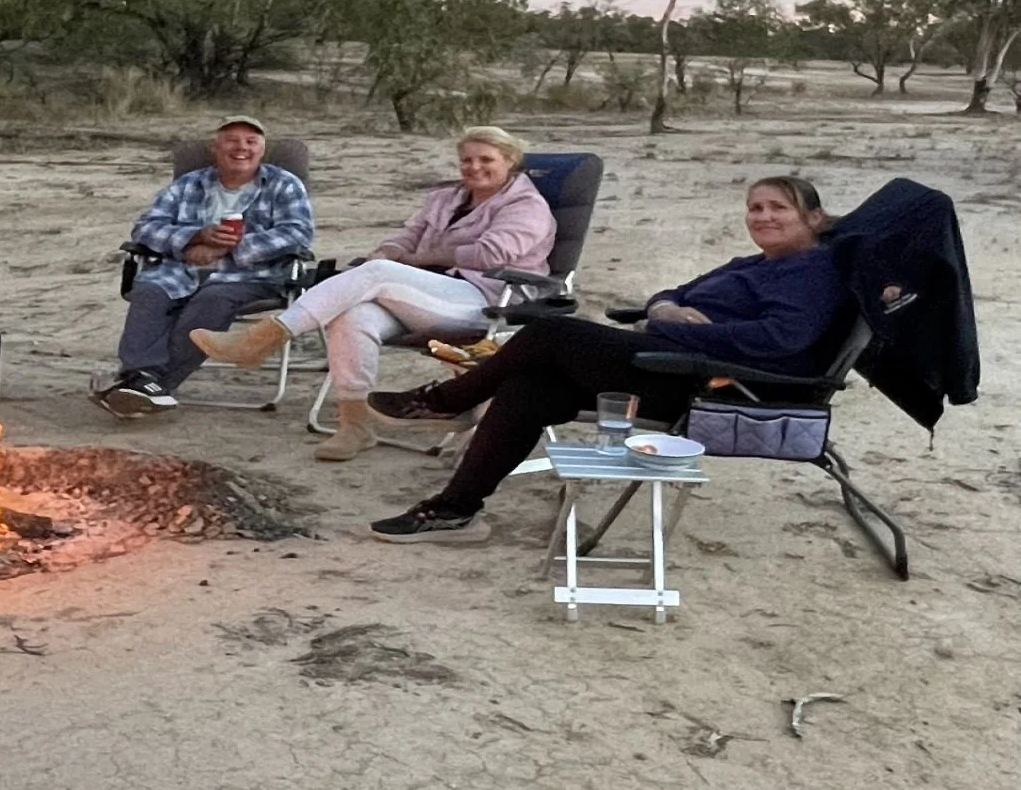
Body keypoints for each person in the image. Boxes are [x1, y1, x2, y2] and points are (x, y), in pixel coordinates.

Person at [361, 176, 844, 544]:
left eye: (778, 208)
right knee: (529, 389)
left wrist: (672, 327)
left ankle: (445, 400)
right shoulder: (753, 264)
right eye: (755, 207)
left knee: (551, 332)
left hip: (710, 383)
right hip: (674, 356)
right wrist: (665, 309)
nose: (763, 216)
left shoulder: (812, 272)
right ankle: (455, 510)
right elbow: (672, 293)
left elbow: (780, 340)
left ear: (815, 218)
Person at [189, 126, 555, 460]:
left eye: (486, 160)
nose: (474, 167)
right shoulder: (448, 198)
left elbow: (490, 255)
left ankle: (261, 340)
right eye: (467, 160)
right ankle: (355, 425)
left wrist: (410, 260)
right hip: (419, 296)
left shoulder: (527, 206)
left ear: (510, 161)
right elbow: (408, 235)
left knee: (377, 274)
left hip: (483, 300)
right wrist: (388, 251)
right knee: (353, 314)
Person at [94, 115, 314, 417]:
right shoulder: (189, 184)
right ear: (215, 147)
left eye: (251, 142)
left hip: (251, 274)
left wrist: (229, 249)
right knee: (150, 291)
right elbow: (145, 227)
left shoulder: (284, 184)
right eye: (232, 141)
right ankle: (141, 378)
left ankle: (152, 384)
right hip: (181, 268)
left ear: (262, 149)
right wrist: (194, 237)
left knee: (212, 299)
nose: (241, 148)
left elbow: (297, 233)